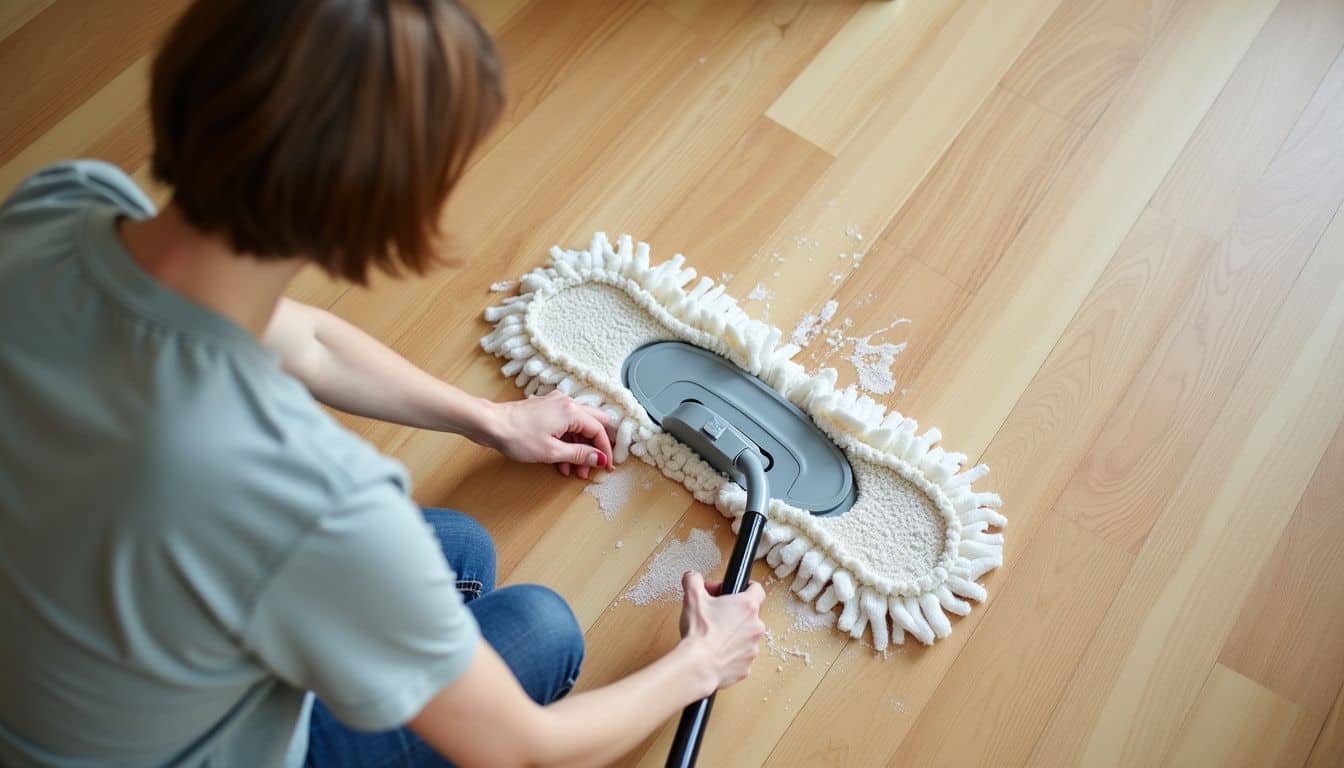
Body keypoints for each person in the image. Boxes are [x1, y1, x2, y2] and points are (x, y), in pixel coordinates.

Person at [0, 1, 767, 766]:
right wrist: (701, 661)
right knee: (541, 628)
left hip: (59, 649)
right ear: (375, 212)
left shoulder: (61, 207)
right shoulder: (308, 498)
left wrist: (488, 419)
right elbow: (525, 751)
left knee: (462, 551)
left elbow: (303, 341)